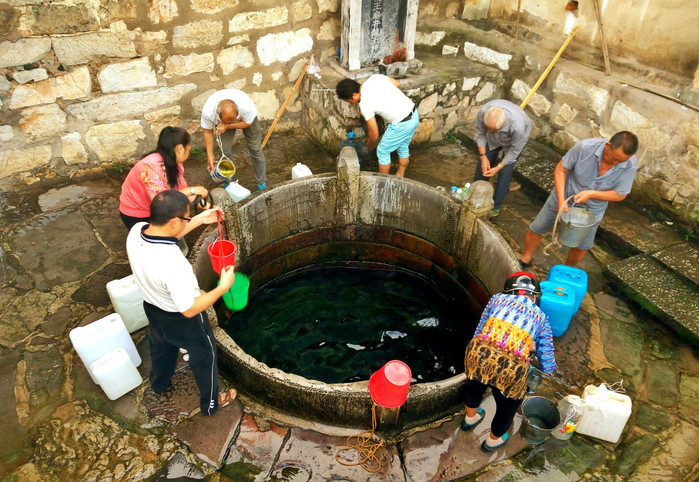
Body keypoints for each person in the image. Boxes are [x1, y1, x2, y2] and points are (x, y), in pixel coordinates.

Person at [126, 190, 237, 416]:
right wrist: (223, 287)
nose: (188, 220)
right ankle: (211, 404)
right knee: (206, 355)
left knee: (161, 348)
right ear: (174, 221)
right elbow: (190, 308)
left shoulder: (136, 232)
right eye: (187, 217)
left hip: (153, 308)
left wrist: (198, 220)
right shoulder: (174, 264)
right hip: (182, 319)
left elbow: (167, 236)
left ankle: (159, 384)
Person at [460, 272, 556, 452]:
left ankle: (469, 419)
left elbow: (481, 326)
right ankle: (492, 440)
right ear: (535, 296)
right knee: (508, 406)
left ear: (508, 292)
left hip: (479, 351)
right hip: (511, 367)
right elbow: (547, 357)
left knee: (474, 386)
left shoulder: (496, 299)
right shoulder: (542, 318)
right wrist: (547, 368)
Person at [520, 131, 639, 267]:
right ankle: (526, 258)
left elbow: (620, 194)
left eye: (620, 161)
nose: (615, 163)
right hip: (565, 195)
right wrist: (561, 201)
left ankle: (566, 270)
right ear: (607, 145)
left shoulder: (630, 164)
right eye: (613, 158)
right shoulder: (584, 147)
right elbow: (560, 170)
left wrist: (592, 194)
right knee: (537, 228)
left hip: (592, 209)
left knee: (581, 246)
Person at [119, 126, 209, 231]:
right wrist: (192, 190)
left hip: (154, 208)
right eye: (188, 149)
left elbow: (181, 194)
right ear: (180, 149)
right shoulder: (150, 167)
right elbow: (163, 202)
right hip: (137, 213)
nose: (189, 153)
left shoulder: (175, 163)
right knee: (157, 242)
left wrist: (209, 207)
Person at [336, 75, 419, 177]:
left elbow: (374, 132)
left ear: (354, 95)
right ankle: (400, 175)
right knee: (402, 146)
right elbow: (397, 83)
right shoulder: (374, 78)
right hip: (414, 114)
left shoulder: (365, 104)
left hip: (401, 123)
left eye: (349, 101)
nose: (351, 104)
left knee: (382, 150)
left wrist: (370, 143)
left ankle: (382, 182)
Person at [473, 99, 532, 218]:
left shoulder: (518, 127)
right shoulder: (484, 111)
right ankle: (475, 195)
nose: (490, 131)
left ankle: (495, 205)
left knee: (505, 172)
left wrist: (499, 167)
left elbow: (515, 151)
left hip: (512, 143)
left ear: (504, 122)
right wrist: (484, 157)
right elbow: (480, 134)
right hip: (492, 140)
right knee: (483, 164)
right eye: (488, 128)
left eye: (493, 129)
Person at [201, 89, 267, 190]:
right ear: (217, 113)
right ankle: (231, 183)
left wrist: (228, 125)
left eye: (234, 119)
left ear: (237, 111)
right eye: (226, 122)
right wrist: (210, 155)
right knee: (224, 151)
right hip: (224, 122)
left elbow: (248, 123)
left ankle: (261, 182)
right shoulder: (208, 112)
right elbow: (207, 132)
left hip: (245, 120)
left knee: (255, 148)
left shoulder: (246, 107)